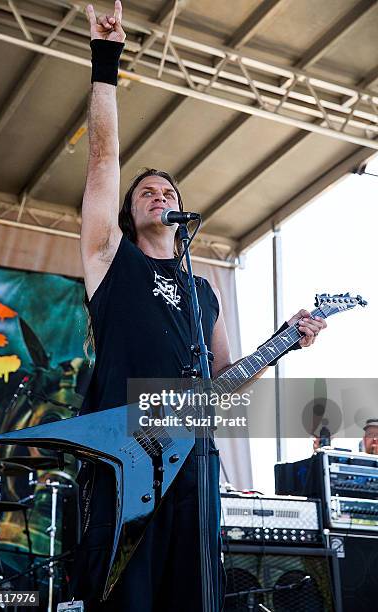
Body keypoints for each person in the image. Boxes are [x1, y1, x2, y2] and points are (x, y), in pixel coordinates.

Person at [70, 2, 327, 610]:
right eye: (147, 192)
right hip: (127, 455)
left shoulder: (202, 288)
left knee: (193, 594)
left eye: (168, 191)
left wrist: (286, 337)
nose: (159, 194)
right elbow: (104, 162)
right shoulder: (111, 259)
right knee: (124, 594)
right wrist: (105, 58)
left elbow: (224, 382)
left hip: (195, 466)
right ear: (130, 215)